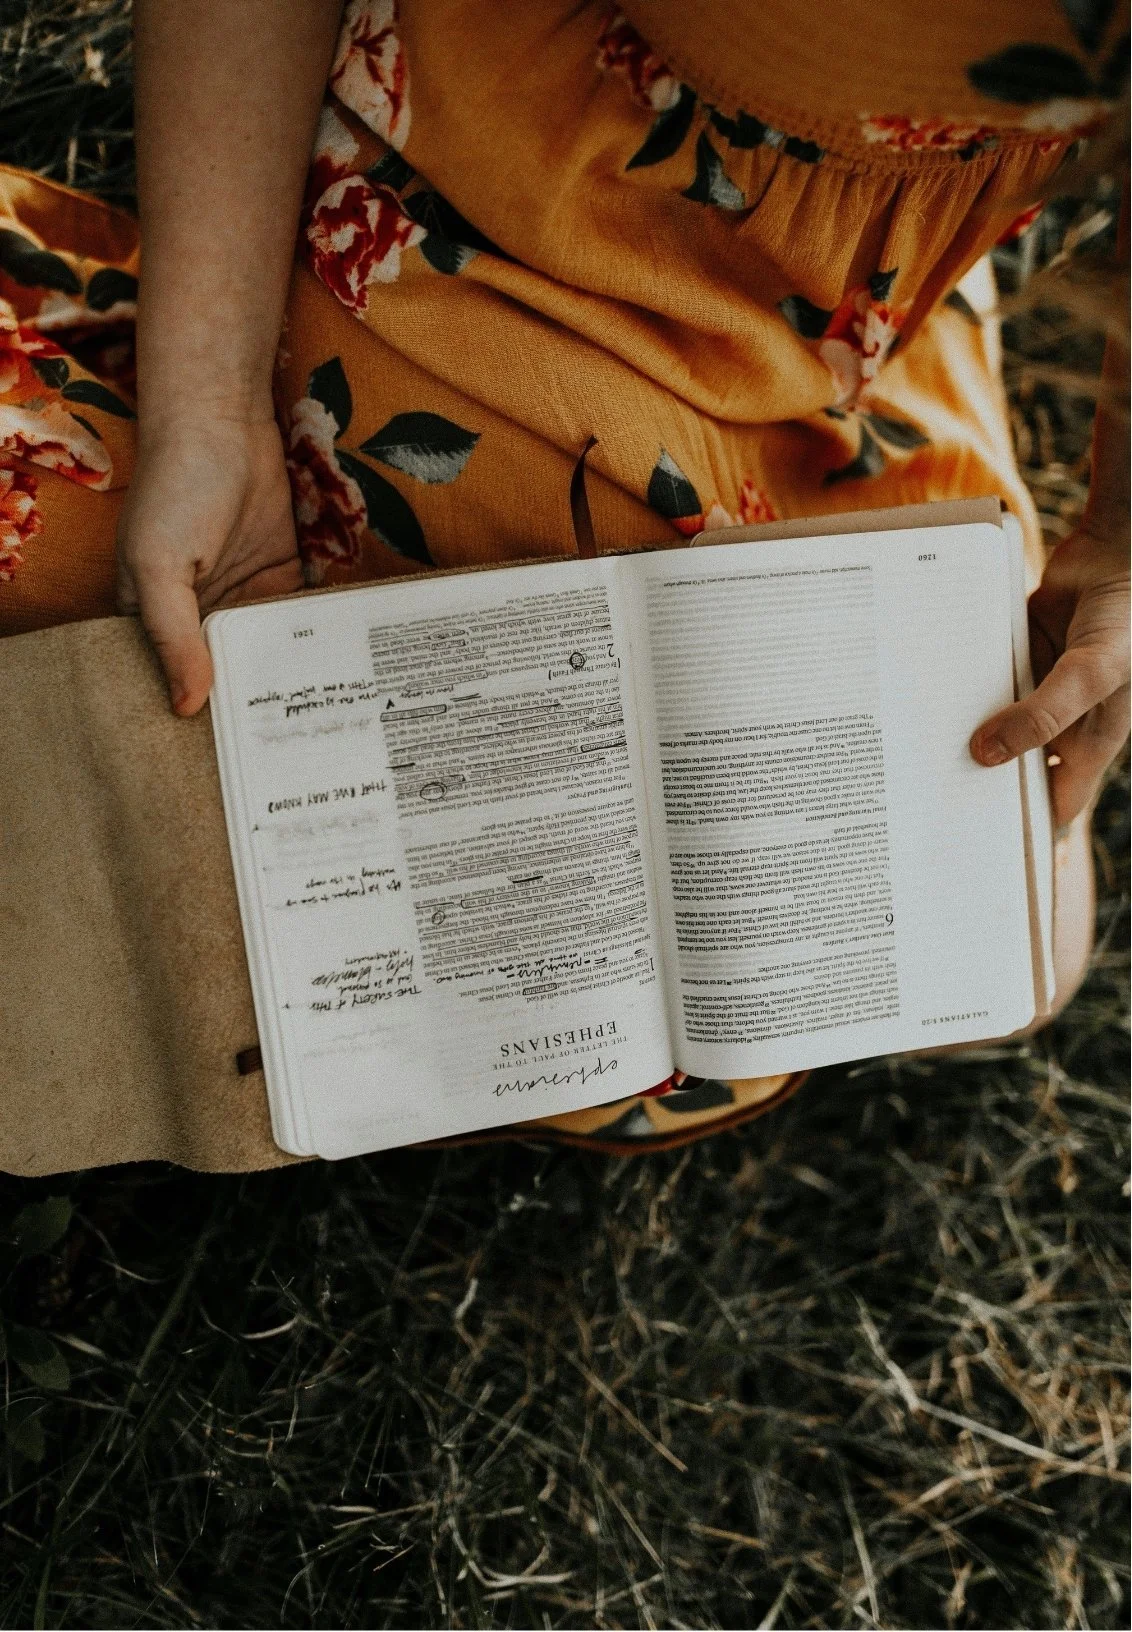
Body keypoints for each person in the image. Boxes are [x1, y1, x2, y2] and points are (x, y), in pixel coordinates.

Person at [0, 0, 1127, 1151]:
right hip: (460, 206)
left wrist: (1123, 546)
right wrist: (211, 403)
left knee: (1005, 943)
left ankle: (924, 352)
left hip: (815, 332)